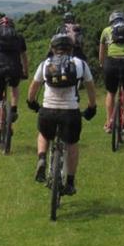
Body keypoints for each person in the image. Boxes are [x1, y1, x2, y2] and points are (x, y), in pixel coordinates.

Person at [27, 33, 97, 195]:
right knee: (72, 143)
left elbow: (33, 88)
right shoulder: (80, 64)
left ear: (52, 48)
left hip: (48, 110)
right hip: (70, 112)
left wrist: (32, 102)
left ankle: (42, 159)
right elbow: (91, 88)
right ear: (71, 48)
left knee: (44, 134)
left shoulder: (45, 64)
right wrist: (91, 107)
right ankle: (70, 182)